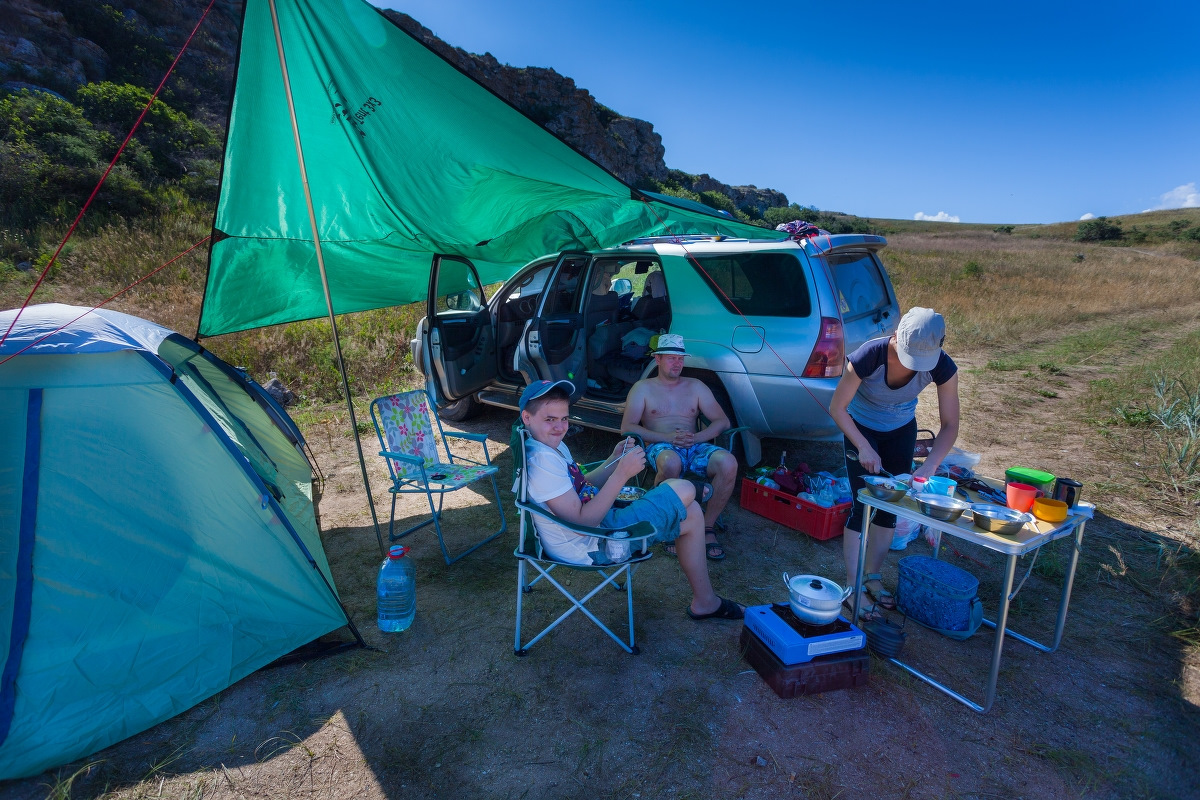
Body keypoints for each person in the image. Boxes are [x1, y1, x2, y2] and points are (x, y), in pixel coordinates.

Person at [520, 379, 743, 621]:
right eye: (549, 419)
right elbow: (583, 523)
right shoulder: (542, 461)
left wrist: (614, 461)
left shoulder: (550, 445)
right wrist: (622, 473)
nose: (559, 427)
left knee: (692, 514)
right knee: (682, 488)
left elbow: (583, 485)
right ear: (527, 418)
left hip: (598, 526)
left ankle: (705, 602)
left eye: (564, 418)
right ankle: (695, 489)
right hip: (593, 545)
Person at [828, 307, 961, 620]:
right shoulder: (868, 356)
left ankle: (872, 576)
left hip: (901, 429)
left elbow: (950, 425)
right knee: (863, 506)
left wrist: (928, 468)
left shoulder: (943, 366)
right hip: (860, 427)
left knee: (891, 506)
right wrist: (863, 446)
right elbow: (837, 408)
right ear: (897, 337)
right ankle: (852, 588)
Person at [619, 334, 738, 561]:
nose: (677, 363)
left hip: (694, 445)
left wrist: (697, 438)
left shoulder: (696, 386)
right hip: (660, 445)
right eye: (671, 358)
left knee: (728, 462)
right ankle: (668, 524)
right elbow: (627, 427)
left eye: (680, 358)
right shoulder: (642, 388)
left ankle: (707, 528)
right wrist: (666, 437)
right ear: (657, 359)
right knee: (671, 462)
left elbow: (722, 421)